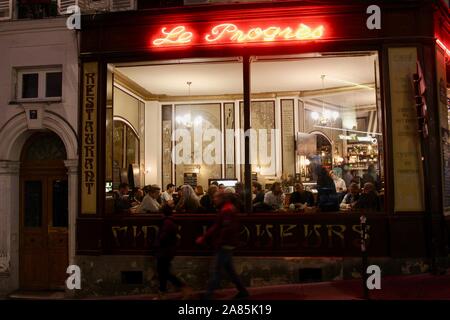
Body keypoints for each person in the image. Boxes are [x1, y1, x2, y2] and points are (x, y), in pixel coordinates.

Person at [196, 191, 249, 300]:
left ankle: (207, 296)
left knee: (216, 271)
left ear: (222, 198)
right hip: (228, 244)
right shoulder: (228, 208)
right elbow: (218, 226)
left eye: (216, 197)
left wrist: (216, 240)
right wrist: (205, 237)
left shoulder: (226, 210)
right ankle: (243, 291)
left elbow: (223, 228)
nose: (214, 199)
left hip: (225, 245)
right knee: (230, 271)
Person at [154, 205, 191, 300]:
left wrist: (157, 243)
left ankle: (184, 288)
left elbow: (163, 237)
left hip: (164, 251)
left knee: (164, 273)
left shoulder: (167, 223)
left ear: (163, 213)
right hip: (166, 251)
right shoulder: (169, 221)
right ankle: (162, 293)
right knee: (163, 272)